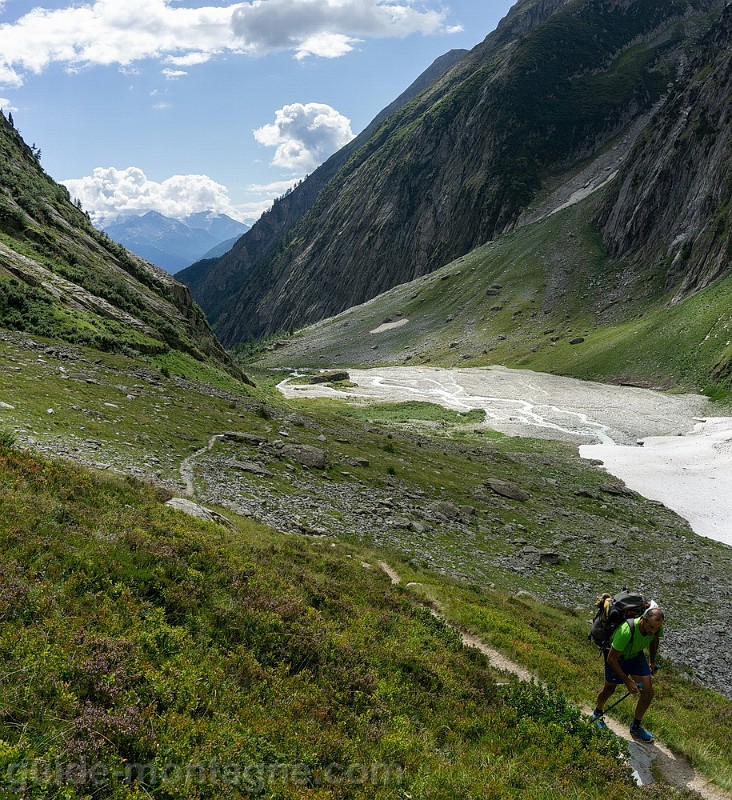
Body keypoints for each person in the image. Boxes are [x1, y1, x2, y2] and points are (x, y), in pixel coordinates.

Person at [591, 606, 664, 742]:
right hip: (616, 657)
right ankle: (597, 713)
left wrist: (652, 661)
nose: (653, 631)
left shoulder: (656, 627)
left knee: (648, 692)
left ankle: (636, 726)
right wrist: (628, 682)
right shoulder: (626, 631)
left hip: (636, 655)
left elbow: (654, 640)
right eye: (651, 627)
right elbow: (611, 659)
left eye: (656, 628)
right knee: (609, 689)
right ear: (643, 620)